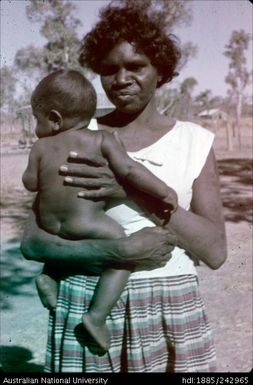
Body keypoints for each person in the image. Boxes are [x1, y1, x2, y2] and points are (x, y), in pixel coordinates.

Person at [21, 2, 227, 373]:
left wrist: (128, 191)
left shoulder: (194, 141)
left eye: (135, 66)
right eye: (109, 69)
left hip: (169, 304)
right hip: (84, 302)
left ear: (160, 70)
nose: (121, 79)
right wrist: (120, 250)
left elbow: (214, 251)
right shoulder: (75, 135)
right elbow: (33, 242)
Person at [22, 69, 178, 352]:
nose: (36, 127)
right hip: (87, 223)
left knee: (64, 245)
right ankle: (96, 316)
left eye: (37, 119)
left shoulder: (40, 146)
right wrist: (163, 191)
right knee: (125, 251)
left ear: (55, 119)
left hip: (49, 224)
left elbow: (30, 183)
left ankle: (49, 276)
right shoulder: (101, 140)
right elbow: (130, 170)